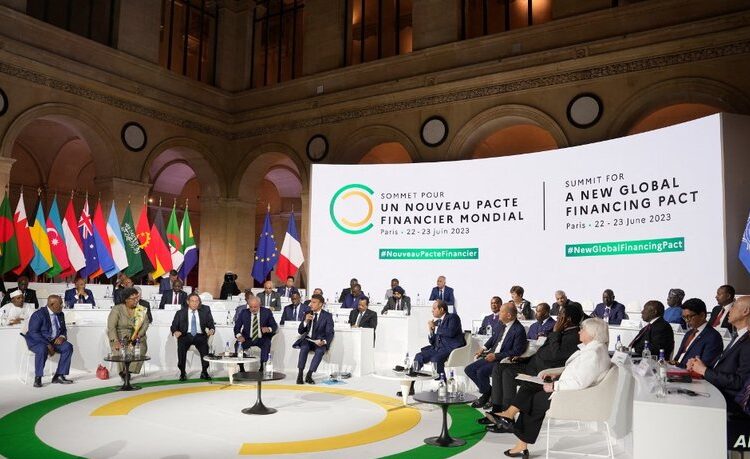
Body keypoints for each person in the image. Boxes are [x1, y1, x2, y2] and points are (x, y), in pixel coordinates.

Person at [490, 318, 612, 457]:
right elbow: (578, 373)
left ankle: (520, 442)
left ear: (592, 333)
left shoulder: (593, 353)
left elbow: (579, 382)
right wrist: (556, 374)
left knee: (533, 401)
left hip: (573, 396)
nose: (579, 331)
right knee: (531, 383)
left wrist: (555, 385)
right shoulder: (595, 349)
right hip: (570, 390)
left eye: (583, 329)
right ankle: (510, 414)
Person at [485, 302, 583, 428]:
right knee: (499, 367)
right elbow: (541, 352)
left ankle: (507, 418)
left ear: (568, 319)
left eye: (560, 316)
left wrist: (555, 332)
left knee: (508, 373)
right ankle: (497, 410)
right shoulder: (561, 331)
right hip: (531, 365)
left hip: (543, 372)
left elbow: (555, 355)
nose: (557, 318)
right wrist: (524, 359)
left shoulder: (574, 336)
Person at [688, 295, 750, 414]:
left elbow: (740, 382)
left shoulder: (747, 342)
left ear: (745, 311)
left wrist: (704, 371)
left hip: (729, 403)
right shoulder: (738, 336)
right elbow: (723, 367)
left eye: (734, 306)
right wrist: (698, 365)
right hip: (716, 392)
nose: (729, 310)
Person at [466, 302, 527, 408]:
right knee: (469, 369)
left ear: (508, 315)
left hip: (502, 361)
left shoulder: (519, 329)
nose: (499, 313)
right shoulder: (501, 325)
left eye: (501, 312)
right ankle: (489, 392)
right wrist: (483, 348)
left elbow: (517, 351)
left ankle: (486, 396)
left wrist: (496, 356)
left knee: (481, 372)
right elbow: (493, 339)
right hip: (492, 356)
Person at [23, 295, 73, 387]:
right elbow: (33, 332)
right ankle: (38, 377)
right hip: (36, 341)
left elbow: (64, 330)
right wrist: (47, 344)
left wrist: (62, 336)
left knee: (68, 347)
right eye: (60, 304)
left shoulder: (60, 314)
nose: (62, 306)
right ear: (51, 304)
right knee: (42, 349)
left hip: (53, 341)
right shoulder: (38, 314)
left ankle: (59, 375)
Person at [414, 300, 465, 377]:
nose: (432, 311)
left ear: (441, 309)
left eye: (434, 308)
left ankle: (442, 383)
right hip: (437, 349)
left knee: (435, 359)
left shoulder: (453, 317)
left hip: (449, 348)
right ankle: (412, 380)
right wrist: (431, 332)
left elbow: (451, 332)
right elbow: (433, 342)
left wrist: (437, 327)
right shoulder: (438, 322)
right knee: (418, 356)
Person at [107, 287, 149, 380]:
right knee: (120, 350)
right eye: (133, 299)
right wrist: (115, 341)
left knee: (141, 348)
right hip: (120, 336)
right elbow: (111, 327)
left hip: (136, 336)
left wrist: (139, 334)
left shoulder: (141, 310)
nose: (136, 300)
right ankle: (123, 372)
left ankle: (128, 371)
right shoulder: (117, 309)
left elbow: (146, 324)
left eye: (137, 298)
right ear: (126, 300)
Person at [170, 293, 215, 381]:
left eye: (196, 301)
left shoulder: (205, 311)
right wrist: (175, 331)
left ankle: (204, 372)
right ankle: (182, 372)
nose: (194, 303)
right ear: (188, 302)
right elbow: (173, 326)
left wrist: (212, 329)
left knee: (204, 348)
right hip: (185, 335)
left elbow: (211, 323)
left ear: (199, 302)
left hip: (200, 335)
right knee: (181, 347)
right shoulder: (180, 313)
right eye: (192, 301)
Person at [293, 294, 334, 384]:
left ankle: (309, 375)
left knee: (319, 351)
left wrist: (323, 341)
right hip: (308, 340)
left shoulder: (327, 316)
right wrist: (305, 321)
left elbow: (330, 333)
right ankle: (300, 374)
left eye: (314, 302)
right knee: (304, 348)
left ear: (320, 304)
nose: (311, 304)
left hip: (319, 342)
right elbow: (300, 331)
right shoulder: (308, 313)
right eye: (311, 302)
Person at [672, 298, 723, 368]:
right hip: (676, 370)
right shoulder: (689, 333)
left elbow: (705, 366)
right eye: (684, 317)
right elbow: (678, 357)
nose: (687, 320)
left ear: (702, 315)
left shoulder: (713, 337)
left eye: (689, 317)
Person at [235, 296, 278, 368]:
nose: (253, 309)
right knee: (238, 345)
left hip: (262, 338)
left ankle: (262, 366)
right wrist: (239, 336)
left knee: (266, 344)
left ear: (259, 305)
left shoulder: (267, 312)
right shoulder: (244, 312)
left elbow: (274, 326)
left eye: (255, 307)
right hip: (247, 338)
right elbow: (237, 327)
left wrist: (268, 329)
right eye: (251, 307)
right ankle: (241, 367)